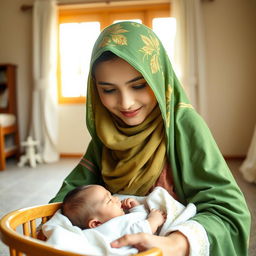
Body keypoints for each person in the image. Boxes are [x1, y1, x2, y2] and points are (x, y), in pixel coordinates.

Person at [50, 21, 251, 255]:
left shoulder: (183, 125)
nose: (126, 103)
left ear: (158, 79)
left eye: (138, 85)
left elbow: (228, 213)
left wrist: (174, 243)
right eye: (108, 90)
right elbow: (74, 198)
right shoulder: (108, 132)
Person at [61, 184, 166, 234]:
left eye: (110, 195)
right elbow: (141, 230)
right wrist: (154, 220)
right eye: (109, 200)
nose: (116, 198)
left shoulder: (115, 221)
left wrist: (136, 207)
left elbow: (136, 219)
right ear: (96, 223)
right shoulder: (108, 229)